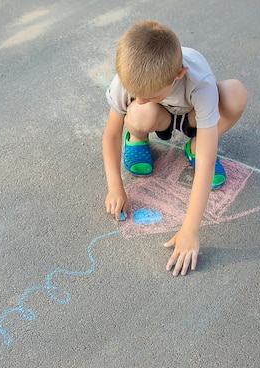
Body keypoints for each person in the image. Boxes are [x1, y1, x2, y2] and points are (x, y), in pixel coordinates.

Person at [101, 20, 248, 276]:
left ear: (179, 74)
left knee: (236, 93)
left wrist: (190, 229)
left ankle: (194, 145)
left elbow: (206, 163)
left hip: (192, 116)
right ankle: (137, 138)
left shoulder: (199, 83)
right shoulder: (130, 77)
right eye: (137, 93)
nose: (141, 98)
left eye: (151, 94)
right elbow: (111, 135)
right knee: (139, 112)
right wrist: (115, 186)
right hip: (157, 117)